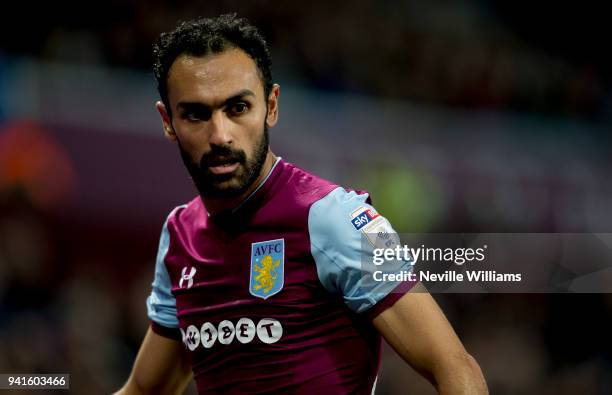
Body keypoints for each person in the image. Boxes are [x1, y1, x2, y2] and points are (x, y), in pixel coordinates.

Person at [116, 14, 487, 395]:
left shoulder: (336, 218)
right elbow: (145, 389)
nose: (220, 135)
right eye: (196, 114)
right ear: (167, 121)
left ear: (271, 106)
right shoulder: (180, 236)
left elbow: (456, 369)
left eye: (238, 108)